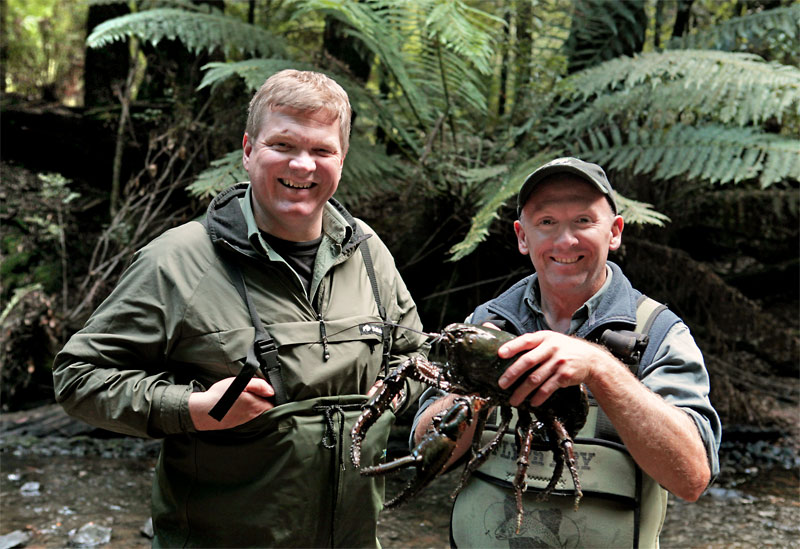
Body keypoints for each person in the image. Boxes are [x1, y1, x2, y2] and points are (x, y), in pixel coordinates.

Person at [53, 69, 428, 548]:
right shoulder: (178, 260)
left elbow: (419, 358)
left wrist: (394, 394)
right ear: (249, 150)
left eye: (321, 151)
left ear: (342, 158)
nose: (302, 166)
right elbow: (78, 376)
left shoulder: (368, 252)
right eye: (284, 146)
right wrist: (192, 408)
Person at [413, 157, 721, 548]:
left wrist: (600, 368)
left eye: (583, 221)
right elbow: (423, 453)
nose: (565, 241)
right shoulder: (484, 323)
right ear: (523, 237)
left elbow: (692, 478)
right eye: (546, 223)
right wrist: (475, 380)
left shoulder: (659, 333)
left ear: (615, 232)